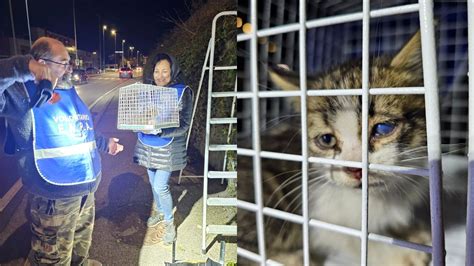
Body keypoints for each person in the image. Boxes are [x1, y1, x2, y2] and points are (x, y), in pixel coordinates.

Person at [0, 37, 123, 265]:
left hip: (85, 191)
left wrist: (107, 143)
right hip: (53, 198)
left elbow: (81, 131)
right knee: (53, 259)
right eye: (62, 62)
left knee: (79, 248)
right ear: (39, 62)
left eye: (69, 62)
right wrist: (23, 67)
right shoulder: (19, 94)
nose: (69, 67)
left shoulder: (69, 90)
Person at [133, 53, 193, 245]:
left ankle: (169, 222)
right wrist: (136, 124)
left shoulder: (182, 91)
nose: (160, 75)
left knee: (160, 186)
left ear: (172, 71)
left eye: (164, 71)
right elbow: (139, 115)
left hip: (167, 148)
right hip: (147, 145)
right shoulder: (148, 91)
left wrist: (160, 130)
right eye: (157, 71)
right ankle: (159, 211)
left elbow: (184, 125)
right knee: (152, 183)